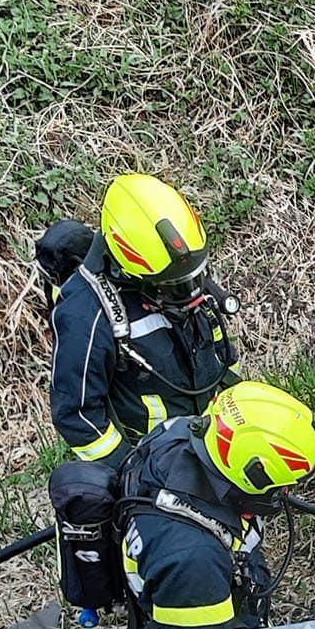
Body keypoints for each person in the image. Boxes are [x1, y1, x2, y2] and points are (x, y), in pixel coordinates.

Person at [120, 381, 315, 629]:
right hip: (182, 624)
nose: (286, 493)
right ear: (253, 474)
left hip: (177, 590)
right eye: (282, 486)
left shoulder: (181, 434)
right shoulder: (193, 558)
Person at [42, 174, 240, 469]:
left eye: (192, 277)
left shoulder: (177, 271)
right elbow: (77, 415)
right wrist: (131, 471)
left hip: (209, 443)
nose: (188, 292)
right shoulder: (86, 315)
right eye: (174, 286)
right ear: (130, 272)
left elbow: (220, 355)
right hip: (152, 461)